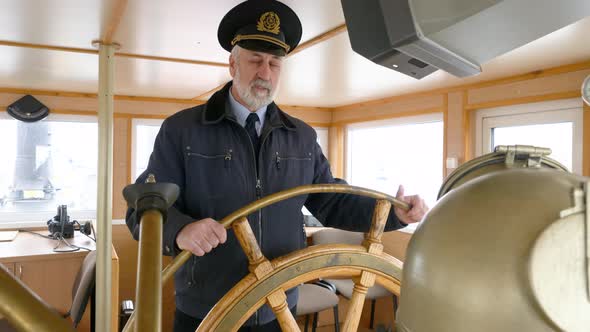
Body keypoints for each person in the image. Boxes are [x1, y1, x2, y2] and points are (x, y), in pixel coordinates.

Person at [125, 1, 428, 331]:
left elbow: (332, 201)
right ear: (232, 64)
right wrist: (181, 231)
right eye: (255, 59)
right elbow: (141, 212)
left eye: (274, 63)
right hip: (207, 309)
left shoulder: (301, 136)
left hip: (278, 304)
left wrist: (394, 214)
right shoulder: (182, 130)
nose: (265, 73)